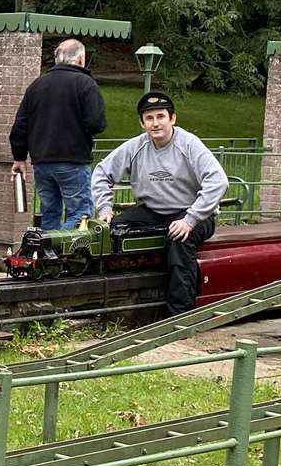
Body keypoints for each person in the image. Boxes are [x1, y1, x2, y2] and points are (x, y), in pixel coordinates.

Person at [91, 91, 226, 315]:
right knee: (114, 231)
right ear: (142, 123)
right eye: (149, 118)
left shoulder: (190, 144)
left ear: (172, 118)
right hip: (153, 210)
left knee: (179, 242)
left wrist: (190, 219)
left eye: (161, 117)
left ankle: (179, 315)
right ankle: (116, 303)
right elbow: (102, 173)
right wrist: (105, 208)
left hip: (194, 213)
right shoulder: (135, 147)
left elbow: (218, 181)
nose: (156, 124)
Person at [9, 39, 106, 230]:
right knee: (81, 216)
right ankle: (62, 252)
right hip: (73, 161)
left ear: (56, 59)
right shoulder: (86, 84)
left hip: (42, 163)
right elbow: (96, 123)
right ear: (81, 59)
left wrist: (19, 158)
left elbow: (20, 126)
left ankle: (46, 255)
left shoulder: (36, 86)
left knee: (49, 213)